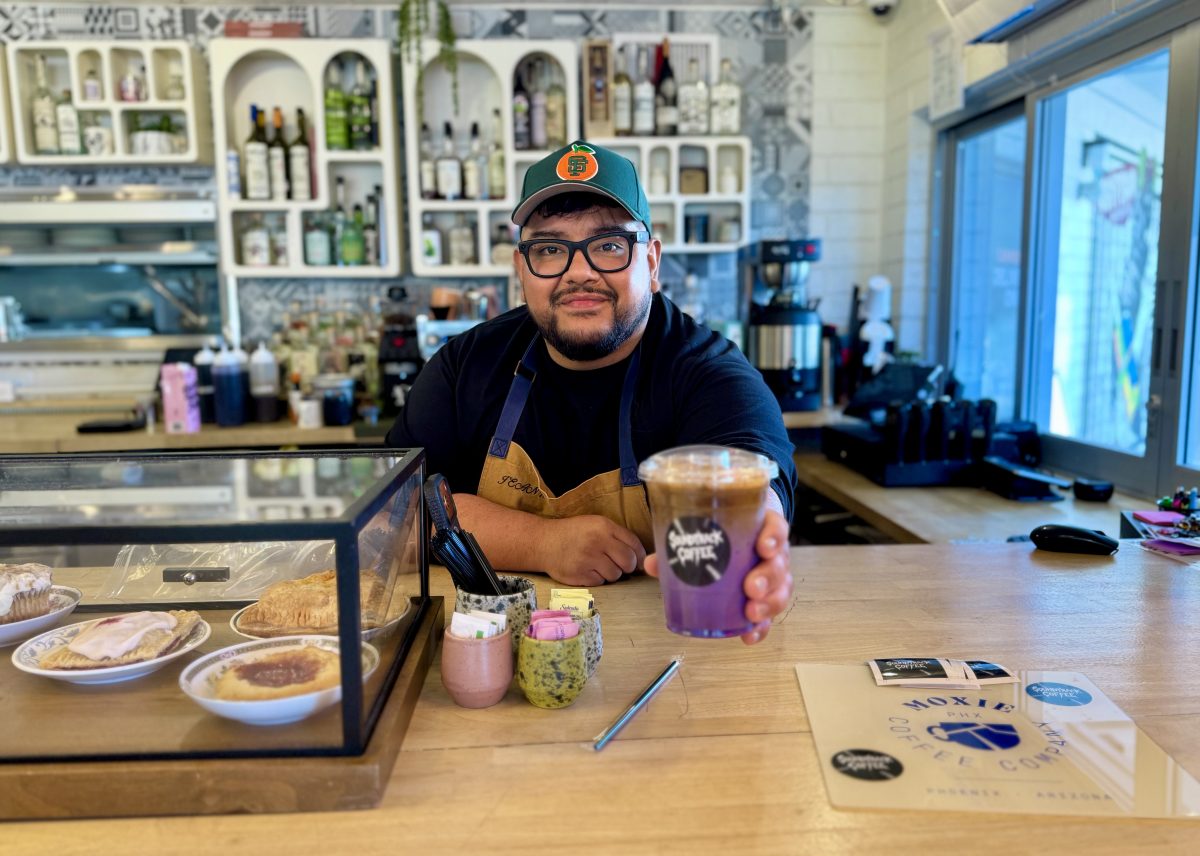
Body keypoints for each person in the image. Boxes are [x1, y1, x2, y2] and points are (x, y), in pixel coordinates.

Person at [388, 140, 797, 644]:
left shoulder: (705, 371)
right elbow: (396, 515)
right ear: (522, 271)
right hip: (494, 652)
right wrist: (543, 543)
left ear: (650, 260)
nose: (578, 272)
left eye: (608, 245)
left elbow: (751, 486)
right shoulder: (464, 367)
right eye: (550, 249)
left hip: (675, 651)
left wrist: (760, 541)